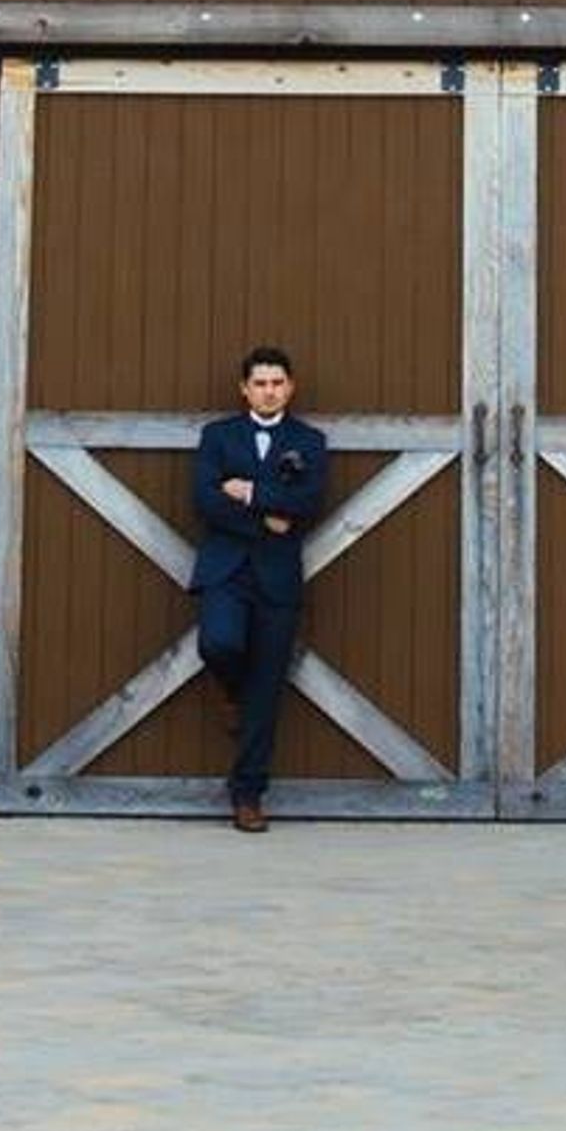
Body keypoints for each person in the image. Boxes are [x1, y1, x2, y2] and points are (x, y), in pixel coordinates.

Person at [190, 345, 329, 832]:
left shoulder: (309, 441)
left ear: (289, 387)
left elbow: (309, 499)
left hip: (277, 577)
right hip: (226, 570)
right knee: (219, 643)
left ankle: (248, 795)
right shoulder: (218, 436)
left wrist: (249, 492)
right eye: (260, 383)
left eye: (277, 383)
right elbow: (205, 499)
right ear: (244, 388)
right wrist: (267, 518)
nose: (269, 391)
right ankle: (228, 687)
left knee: (267, 691)